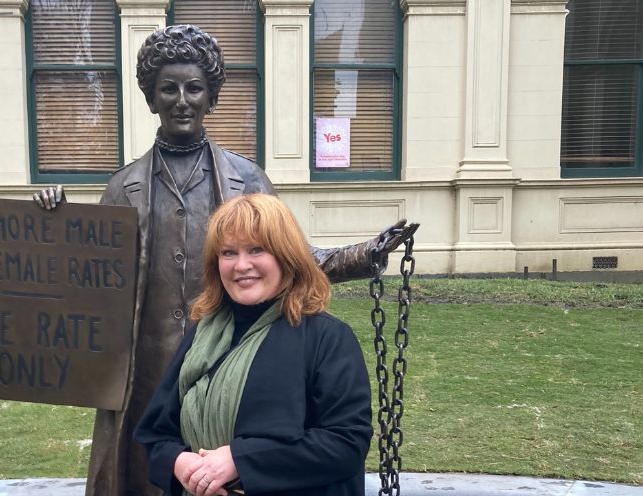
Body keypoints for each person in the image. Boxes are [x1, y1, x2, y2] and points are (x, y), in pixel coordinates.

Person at [33, 24, 416, 495]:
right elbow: (88, 278)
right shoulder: (123, 186)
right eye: (167, 89)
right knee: (146, 463)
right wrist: (50, 229)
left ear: (210, 97)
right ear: (151, 99)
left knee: (223, 460)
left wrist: (365, 255)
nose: (181, 100)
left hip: (234, 347)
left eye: (194, 88)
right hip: (144, 362)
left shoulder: (246, 178)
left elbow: (298, 254)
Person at [134, 193, 373, 496]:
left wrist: (238, 460)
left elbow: (346, 443)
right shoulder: (203, 336)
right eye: (229, 253)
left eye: (257, 250)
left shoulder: (327, 338)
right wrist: (180, 463)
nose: (241, 265)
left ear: (287, 256)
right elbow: (156, 433)